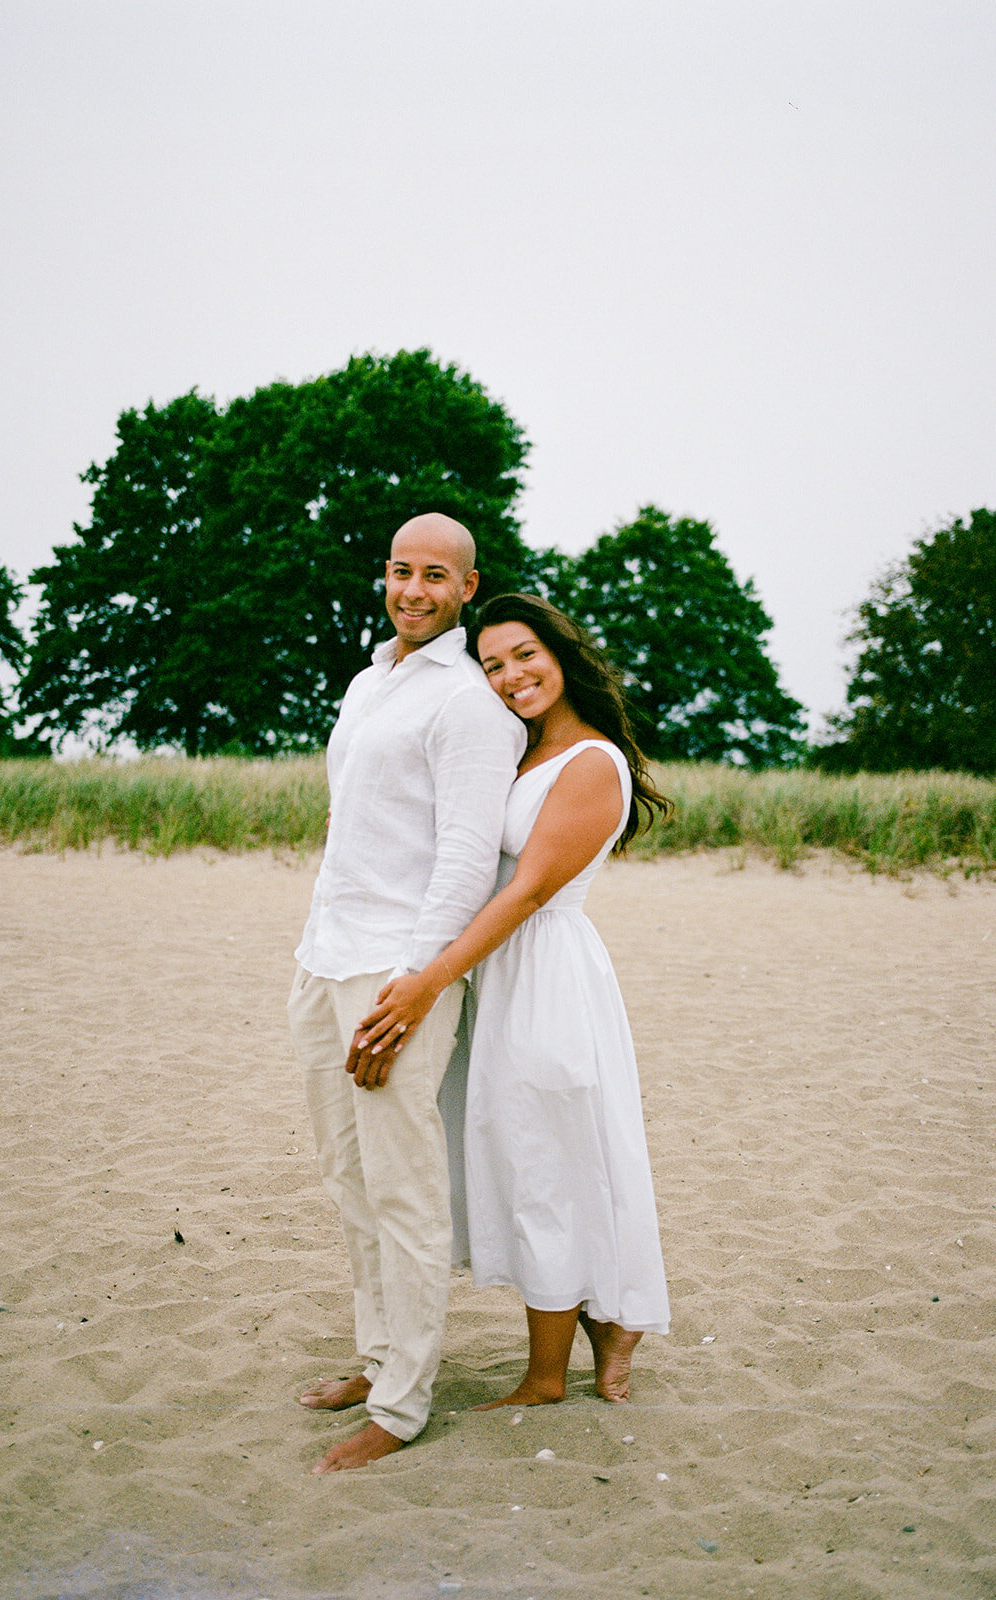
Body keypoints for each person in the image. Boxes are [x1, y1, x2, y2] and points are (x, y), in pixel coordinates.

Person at [350, 592, 671, 1408]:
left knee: (548, 1164)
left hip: (548, 977)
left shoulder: (590, 763)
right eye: (491, 664)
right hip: (501, 974)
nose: (510, 675)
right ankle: (602, 1325)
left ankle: (545, 1377)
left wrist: (424, 983)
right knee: (520, 1157)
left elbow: (526, 892)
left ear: (562, 656)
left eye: (524, 654)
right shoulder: (525, 756)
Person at [289, 515, 525, 1473]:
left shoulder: (468, 703)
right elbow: (353, 823)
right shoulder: (366, 682)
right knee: (348, 1178)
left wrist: (419, 985)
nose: (414, 590)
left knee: (404, 1185)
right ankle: (378, 1355)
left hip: (397, 972)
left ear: (468, 588)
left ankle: (404, 1401)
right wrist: (316, 952)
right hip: (324, 956)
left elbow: (469, 857)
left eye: (436, 576)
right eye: (400, 571)